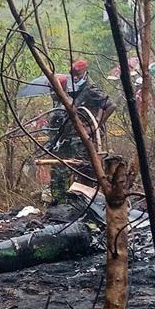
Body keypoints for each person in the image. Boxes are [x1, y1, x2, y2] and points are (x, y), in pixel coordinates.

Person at [48, 59, 117, 202]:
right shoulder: (76, 90)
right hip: (77, 137)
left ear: (84, 73)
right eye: (72, 74)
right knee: (76, 167)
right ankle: (78, 198)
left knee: (87, 168)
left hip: (88, 137)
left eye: (77, 74)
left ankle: (89, 199)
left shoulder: (91, 89)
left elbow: (110, 105)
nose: (74, 77)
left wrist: (95, 126)